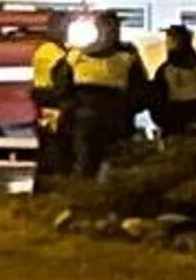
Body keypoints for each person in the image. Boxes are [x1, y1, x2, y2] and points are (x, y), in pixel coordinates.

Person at [62, 10, 149, 178]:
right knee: (89, 164)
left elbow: (140, 90)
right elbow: (61, 87)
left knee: (110, 165)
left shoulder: (127, 54)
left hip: (112, 118)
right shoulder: (76, 55)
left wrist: (128, 109)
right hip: (92, 118)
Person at [149, 24, 196, 138]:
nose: (167, 45)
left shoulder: (166, 71)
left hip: (177, 135)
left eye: (171, 40)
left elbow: (157, 110)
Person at [29, 21, 72, 188]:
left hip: (42, 98)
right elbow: (63, 77)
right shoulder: (55, 52)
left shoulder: (43, 49)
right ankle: (51, 180)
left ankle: (43, 181)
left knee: (46, 141)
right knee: (54, 143)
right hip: (52, 99)